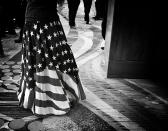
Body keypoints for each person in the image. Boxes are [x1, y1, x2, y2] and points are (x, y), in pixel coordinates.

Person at [17, 0, 86, 116]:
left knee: (41, 58)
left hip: (39, 19)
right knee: (53, 56)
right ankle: (52, 97)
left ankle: (46, 98)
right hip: (44, 20)